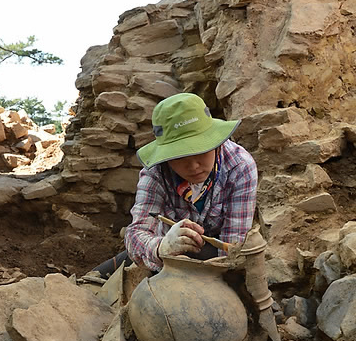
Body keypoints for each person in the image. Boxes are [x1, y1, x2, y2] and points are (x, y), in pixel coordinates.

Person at [94, 92, 257, 278]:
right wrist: (161, 248)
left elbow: (232, 249)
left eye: (201, 151)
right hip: (166, 255)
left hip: (216, 256)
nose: (194, 166)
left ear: (216, 142)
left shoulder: (240, 166)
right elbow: (136, 235)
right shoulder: (156, 173)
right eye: (180, 157)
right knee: (92, 281)